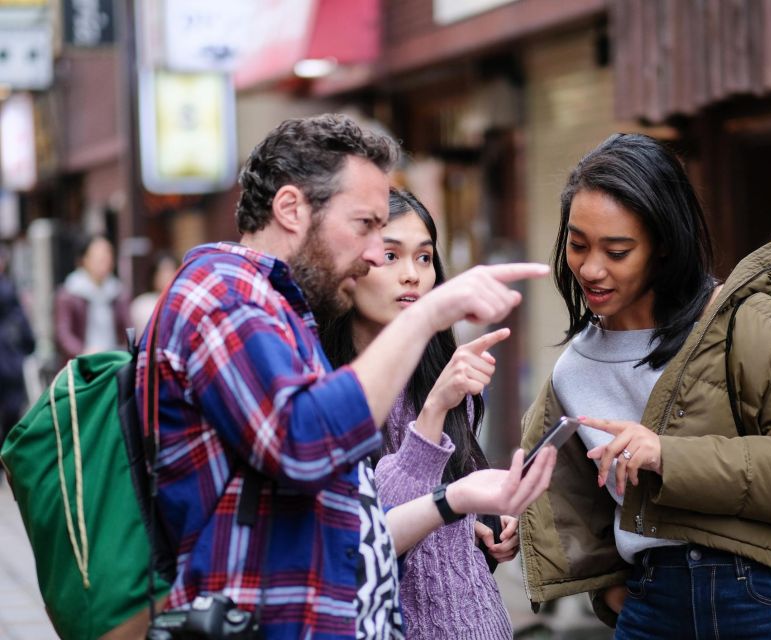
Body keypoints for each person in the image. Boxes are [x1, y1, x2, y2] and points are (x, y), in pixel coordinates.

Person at [135, 114, 556, 640]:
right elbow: (305, 443)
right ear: (291, 209)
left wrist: (457, 517)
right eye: (365, 226)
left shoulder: (272, 306)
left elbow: (343, 508)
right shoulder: (225, 297)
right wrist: (427, 316)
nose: (373, 252)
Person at [518, 133, 771, 639]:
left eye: (617, 251)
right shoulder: (573, 370)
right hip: (653, 603)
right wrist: (610, 589)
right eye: (577, 244)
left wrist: (667, 456)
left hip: (770, 599)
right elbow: (578, 502)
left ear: (663, 245)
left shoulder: (751, 325)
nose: (591, 269)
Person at [321, 188, 516, 640]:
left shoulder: (439, 375)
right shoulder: (327, 390)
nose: (412, 275)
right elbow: (369, 537)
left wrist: (492, 525)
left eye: (424, 259)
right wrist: (433, 412)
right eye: (391, 255)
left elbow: (451, 506)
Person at [55, 234, 132, 360]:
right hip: (82, 362)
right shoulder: (69, 293)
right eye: (99, 257)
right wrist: (83, 352)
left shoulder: (119, 292)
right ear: (85, 260)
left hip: (113, 361)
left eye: (108, 255)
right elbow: (63, 335)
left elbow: (128, 329)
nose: (105, 260)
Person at [0, 243, 34, 447]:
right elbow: (25, 328)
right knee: (12, 412)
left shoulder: (9, 289)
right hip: (10, 360)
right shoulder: (9, 289)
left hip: (9, 360)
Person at [131, 252, 179, 338]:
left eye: (171, 271)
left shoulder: (181, 303)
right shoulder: (142, 304)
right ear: (153, 275)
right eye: (163, 271)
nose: (167, 276)